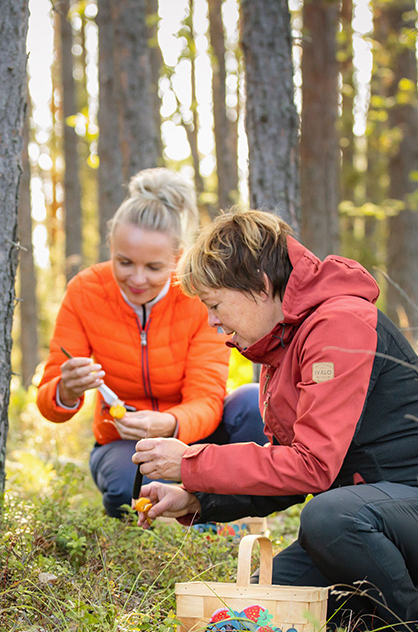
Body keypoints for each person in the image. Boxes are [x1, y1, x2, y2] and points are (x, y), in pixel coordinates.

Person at [133, 210, 418, 632]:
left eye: (215, 303)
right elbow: (283, 466)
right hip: (364, 518)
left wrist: (191, 461)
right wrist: (198, 498)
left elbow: (313, 467)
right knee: (264, 610)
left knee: (327, 518)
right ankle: (388, 617)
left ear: (261, 286)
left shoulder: (338, 324)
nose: (212, 321)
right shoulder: (278, 347)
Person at [35, 169, 266, 518]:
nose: (137, 279)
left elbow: (206, 397)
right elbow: (48, 402)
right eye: (124, 262)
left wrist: (170, 425)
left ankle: (216, 515)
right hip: (123, 442)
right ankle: (155, 520)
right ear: (111, 248)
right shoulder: (86, 291)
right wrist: (66, 389)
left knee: (253, 403)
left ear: (177, 258)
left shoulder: (197, 296)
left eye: (154, 267)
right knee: (125, 490)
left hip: (195, 435)